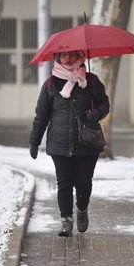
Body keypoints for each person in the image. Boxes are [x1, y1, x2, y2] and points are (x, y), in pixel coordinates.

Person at [28, 50, 110, 237]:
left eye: (72, 54)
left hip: (87, 143)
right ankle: (66, 220)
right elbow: (41, 116)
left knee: (83, 182)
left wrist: (97, 113)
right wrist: (34, 141)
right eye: (63, 55)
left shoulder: (92, 81)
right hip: (60, 142)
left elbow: (105, 104)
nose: (68, 58)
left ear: (80, 57)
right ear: (57, 58)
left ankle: (82, 209)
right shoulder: (50, 85)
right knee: (64, 183)